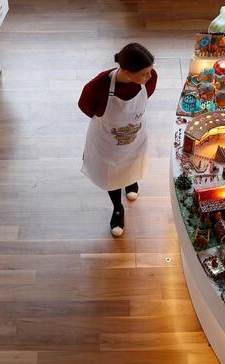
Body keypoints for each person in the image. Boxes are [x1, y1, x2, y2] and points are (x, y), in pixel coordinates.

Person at [79, 43, 157, 236]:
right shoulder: (99, 86)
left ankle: (131, 182)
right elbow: (86, 107)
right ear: (127, 72)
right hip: (108, 142)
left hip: (136, 136)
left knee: (133, 163)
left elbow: (147, 95)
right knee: (112, 175)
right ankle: (118, 208)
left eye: (150, 71)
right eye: (144, 74)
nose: (150, 76)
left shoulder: (150, 78)